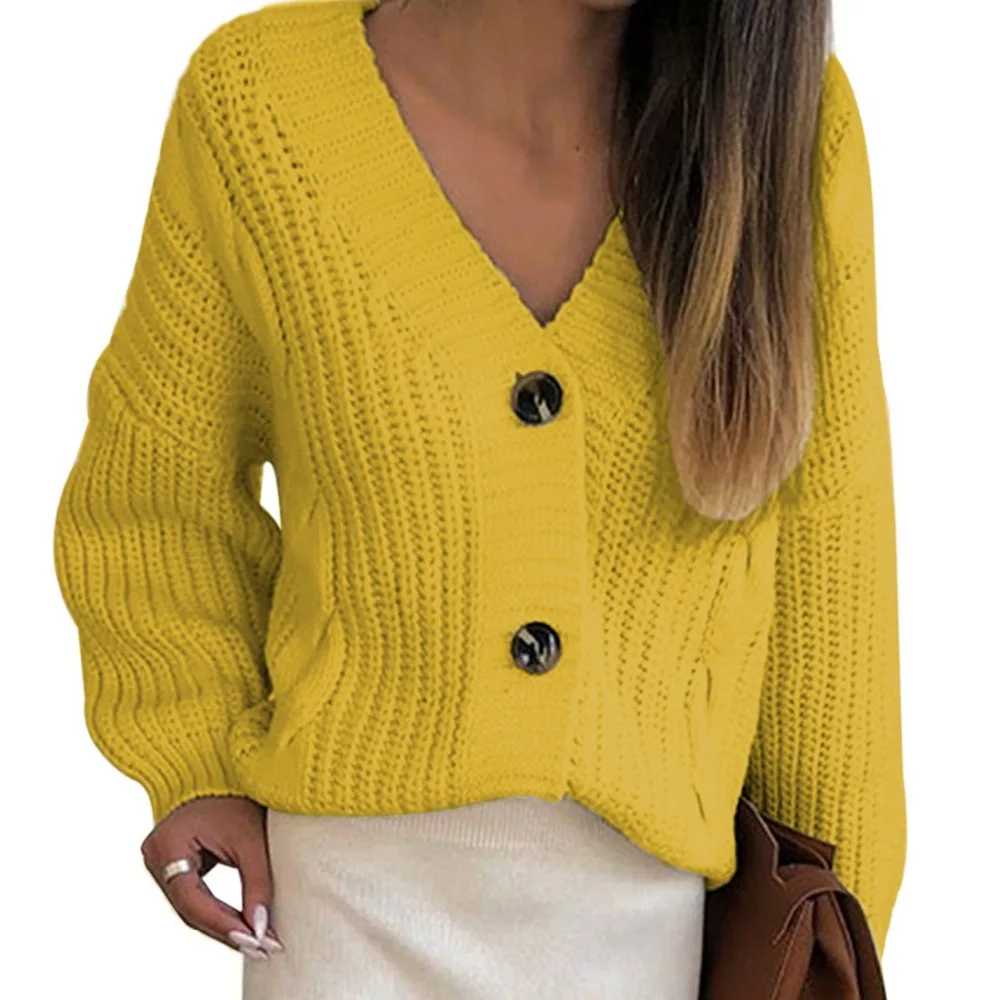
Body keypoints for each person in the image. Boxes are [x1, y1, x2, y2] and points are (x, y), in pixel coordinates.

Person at [51, 0, 907, 997]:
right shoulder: (262, 106)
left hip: (650, 948)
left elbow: (828, 589)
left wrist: (826, 951)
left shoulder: (781, 124)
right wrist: (195, 756)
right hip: (343, 924)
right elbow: (159, 489)